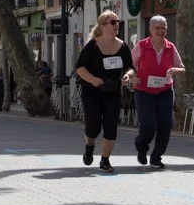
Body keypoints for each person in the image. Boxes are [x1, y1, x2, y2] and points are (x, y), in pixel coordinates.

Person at [74, 10, 135, 174]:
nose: (117, 25)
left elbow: (130, 67)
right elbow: (79, 68)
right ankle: (89, 145)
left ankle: (105, 160)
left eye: (118, 22)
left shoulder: (122, 46)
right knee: (92, 126)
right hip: (92, 91)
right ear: (102, 26)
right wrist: (93, 79)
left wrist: (128, 76)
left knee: (110, 126)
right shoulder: (92, 45)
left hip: (113, 91)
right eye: (113, 22)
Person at [130, 15, 185, 169]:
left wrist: (175, 70)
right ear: (151, 30)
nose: (161, 31)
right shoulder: (141, 46)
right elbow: (129, 65)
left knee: (165, 125)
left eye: (163, 28)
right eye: (157, 28)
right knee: (148, 125)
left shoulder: (170, 47)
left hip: (165, 91)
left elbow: (182, 67)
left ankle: (156, 157)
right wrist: (132, 77)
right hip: (144, 91)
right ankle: (141, 144)